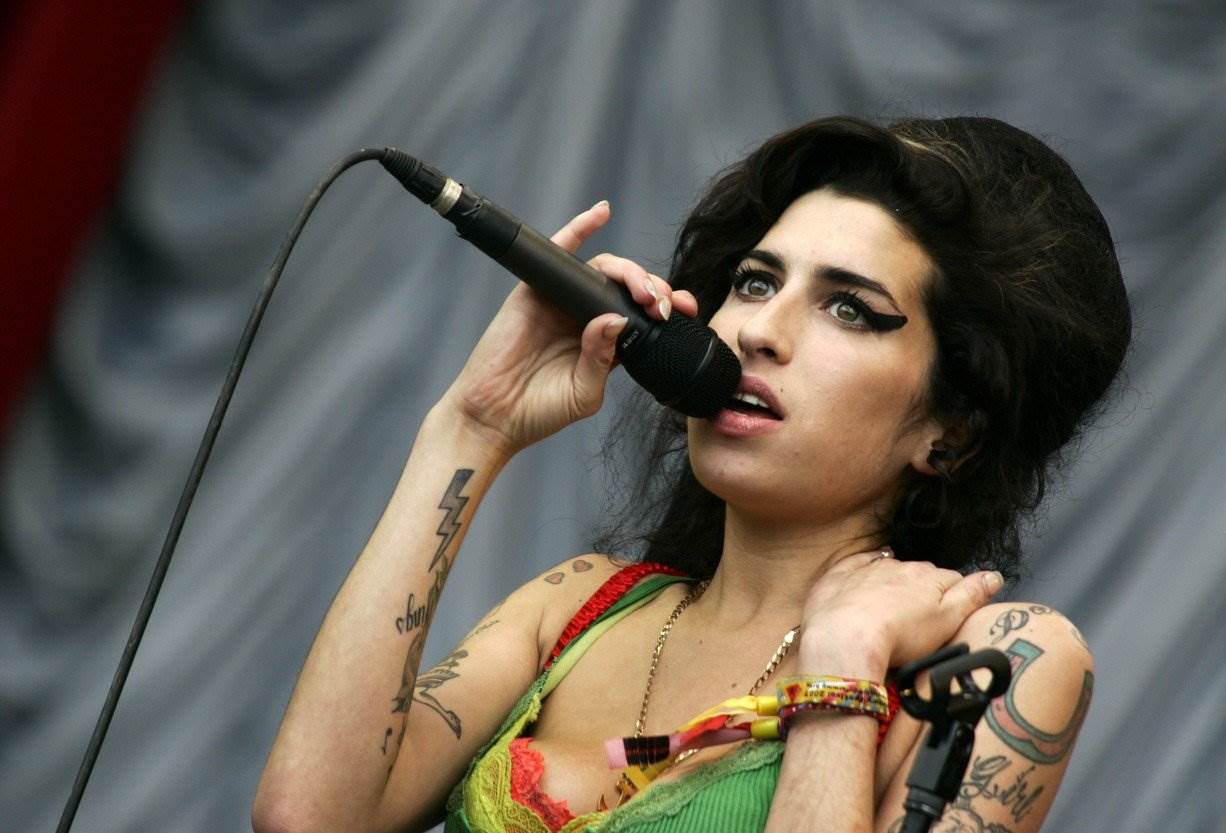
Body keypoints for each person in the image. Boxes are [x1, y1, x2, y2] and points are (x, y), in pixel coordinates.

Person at [252, 115, 1130, 833]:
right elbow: (308, 816)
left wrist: (843, 667)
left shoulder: (998, 662)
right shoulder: (575, 607)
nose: (758, 331)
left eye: (848, 308)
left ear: (951, 434)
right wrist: (472, 426)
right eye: (755, 282)